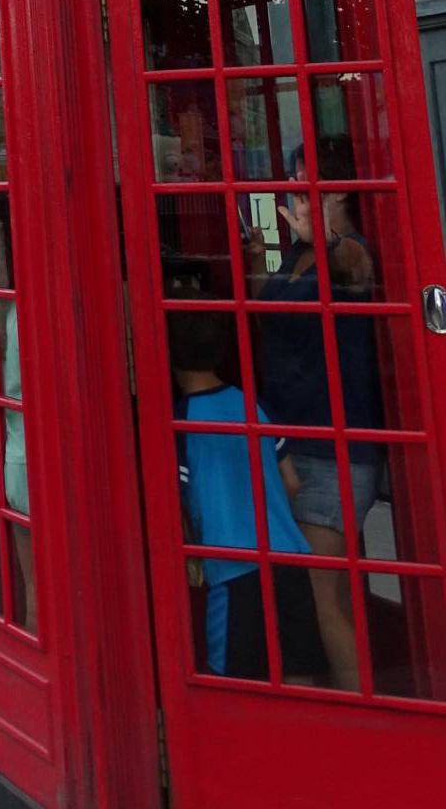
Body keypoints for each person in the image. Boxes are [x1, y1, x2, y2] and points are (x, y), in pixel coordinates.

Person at [250, 177, 385, 691]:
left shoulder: (348, 251)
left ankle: (365, 718)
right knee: (332, 596)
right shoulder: (296, 254)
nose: (298, 201)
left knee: (321, 597)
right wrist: (255, 257)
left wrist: (326, 241)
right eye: (295, 190)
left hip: (333, 447)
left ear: (344, 194)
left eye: (311, 190)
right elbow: (265, 306)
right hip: (294, 438)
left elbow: (357, 268)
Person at [172, 306, 326, 683]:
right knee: (299, 671)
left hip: (231, 564)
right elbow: (290, 481)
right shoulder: (249, 402)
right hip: (287, 554)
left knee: (234, 679)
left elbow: (182, 503)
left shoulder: (181, 419)